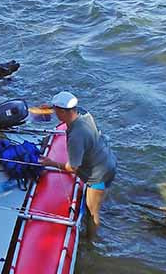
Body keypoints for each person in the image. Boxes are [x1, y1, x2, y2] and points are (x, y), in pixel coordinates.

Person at [39, 90, 116, 235]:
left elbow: (73, 167)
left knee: (92, 212)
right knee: (97, 200)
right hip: (107, 159)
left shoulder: (76, 136)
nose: (55, 114)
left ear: (62, 111)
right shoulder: (83, 113)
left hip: (98, 175)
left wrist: (51, 163)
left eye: (56, 111)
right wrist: (49, 107)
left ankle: (91, 242)